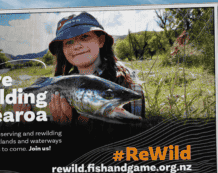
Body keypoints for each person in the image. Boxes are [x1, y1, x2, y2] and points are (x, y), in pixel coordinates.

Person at [15, 12, 145, 124]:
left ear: (100, 41)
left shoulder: (131, 87)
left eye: (84, 37)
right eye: (69, 42)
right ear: (63, 51)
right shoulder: (56, 87)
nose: (76, 46)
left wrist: (72, 131)